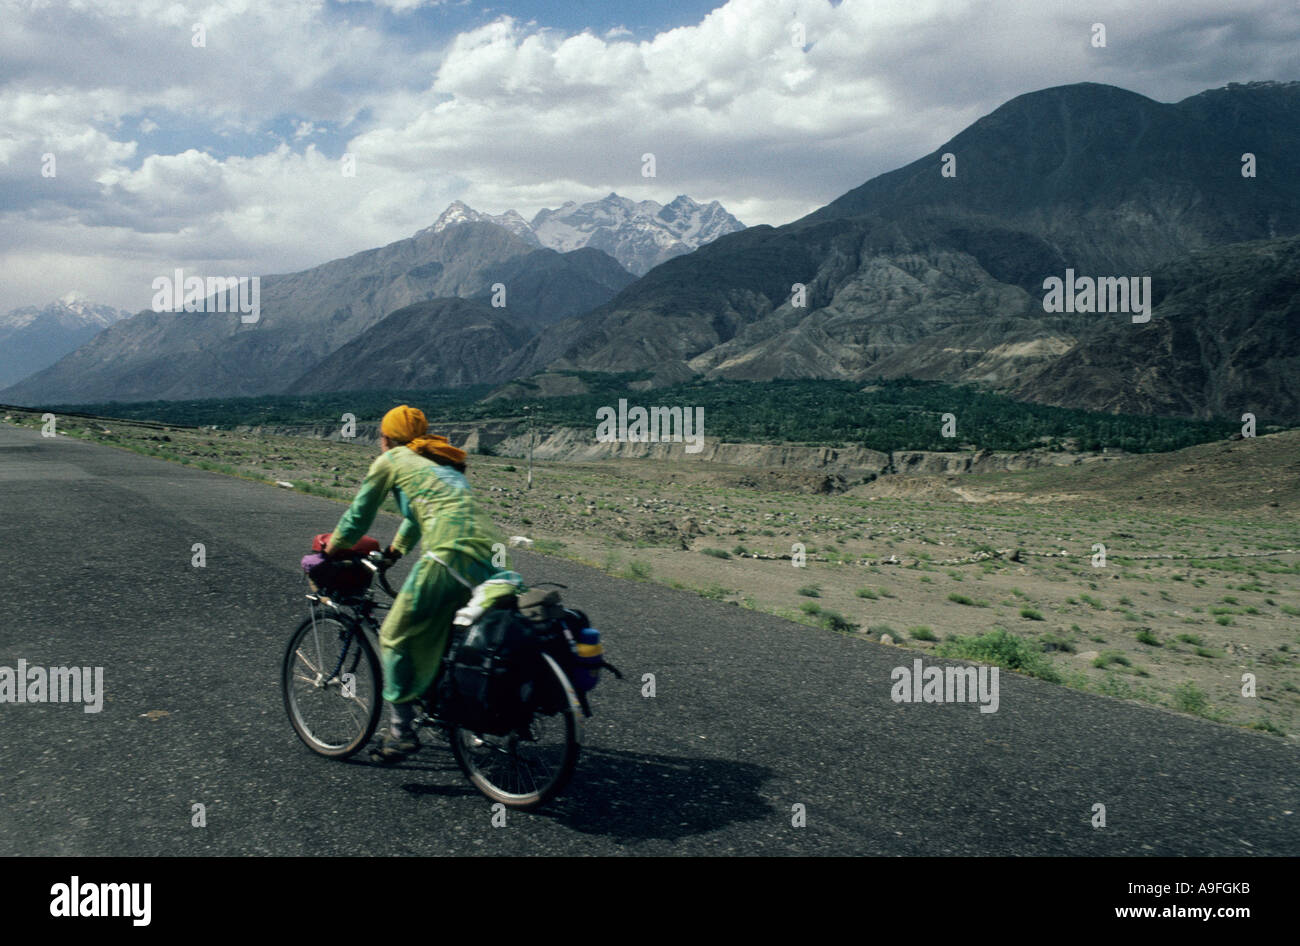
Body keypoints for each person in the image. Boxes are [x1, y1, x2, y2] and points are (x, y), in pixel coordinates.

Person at [325, 405, 502, 760]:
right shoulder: (441, 462)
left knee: (394, 635)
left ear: (387, 438)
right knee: (461, 634)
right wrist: (395, 551)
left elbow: (359, 517)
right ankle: (474, 715)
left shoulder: (391, 461)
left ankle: (400, 734)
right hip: (492, 557)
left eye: (381, 436)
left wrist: (334, 547)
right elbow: (418, 513)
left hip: (448, 557)